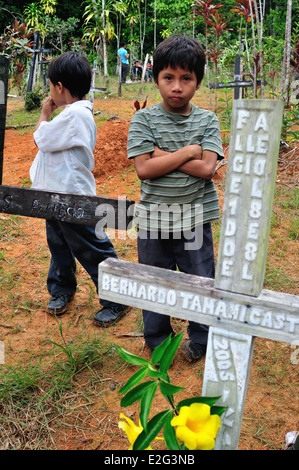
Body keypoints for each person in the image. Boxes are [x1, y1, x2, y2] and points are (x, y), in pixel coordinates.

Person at [127, 35, 224, 362]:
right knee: (154, 283)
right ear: (156, 78)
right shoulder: (143, 119)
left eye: (187, 78)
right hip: (153, 220)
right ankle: (158, 340)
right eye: (169, 78)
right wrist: (187, 151)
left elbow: (208, 168)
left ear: (198, 82)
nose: (177, 87)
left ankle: (201, 338)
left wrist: (160, 154)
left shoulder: (207, 120)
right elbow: (143, 169)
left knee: (200, 282)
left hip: (195, 219)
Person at [30, 51, 129, 326]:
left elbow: (40, 138)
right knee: (58, 243)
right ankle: (61, 289)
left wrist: (44, 112)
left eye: (51, 85)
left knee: (91, 246)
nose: (50, 91)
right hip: (55, 194)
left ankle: (117, 297)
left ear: (59, 87)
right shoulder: (73, 114)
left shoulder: (74, 117)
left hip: (72, 196)